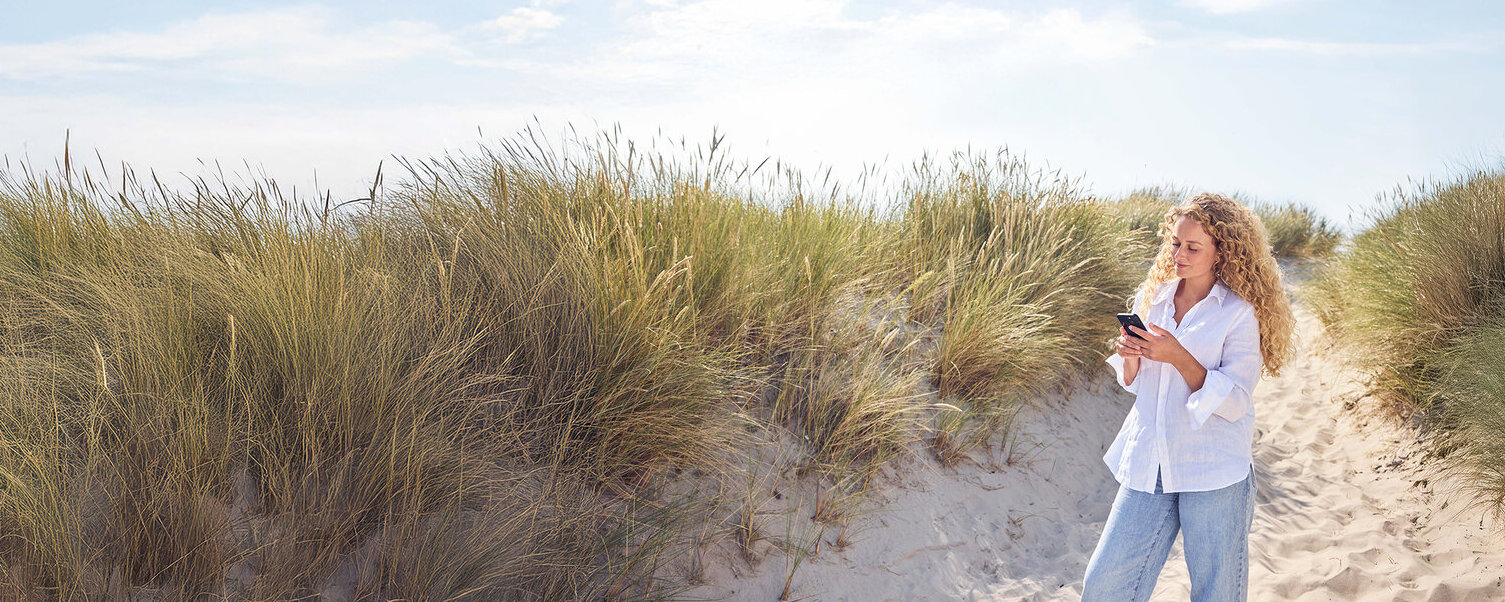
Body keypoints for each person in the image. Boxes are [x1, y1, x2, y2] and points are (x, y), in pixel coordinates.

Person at [1081, 193, 1296, 601]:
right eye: (1175, 243)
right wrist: (1130, 357)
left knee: (1215, 594)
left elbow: (1234, 401)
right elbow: (1139, 382)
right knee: (1104, 586)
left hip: (1213, 470)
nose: (1179, 253)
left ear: (1222, 253)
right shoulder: (1155, 297)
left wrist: (1179, 357)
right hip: (1151, 464)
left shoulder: (1238, 313)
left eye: (1193, 247)